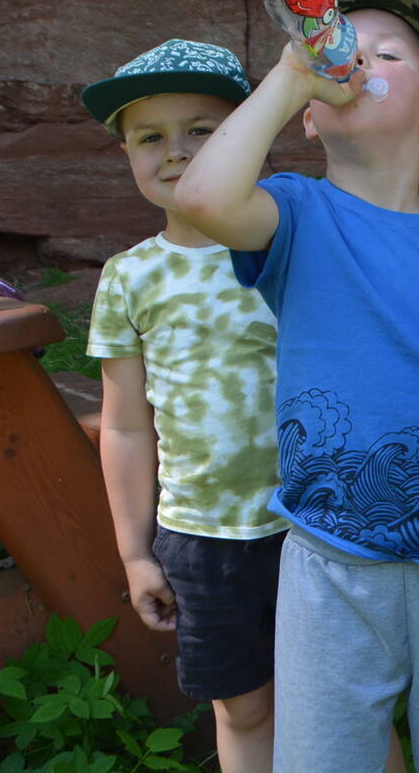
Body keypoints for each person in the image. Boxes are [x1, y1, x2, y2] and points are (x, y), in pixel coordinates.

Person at [176, 0, 419, 771]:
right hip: (329, 557)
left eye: (387, 52)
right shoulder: (296, 211)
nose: (356, 58)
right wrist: (291, 74)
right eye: (343, 45)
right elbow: (200, 198)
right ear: (308, 117)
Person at [82, 40, 284, 772]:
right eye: (150, 137)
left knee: (343, 698)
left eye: (202, 129)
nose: (176, 150)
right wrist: (135, 552)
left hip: (315, 524)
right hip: (202, 538)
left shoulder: (291, 247)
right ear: (127, 154)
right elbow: (125, 425)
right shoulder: (129, 277)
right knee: (244, 708)